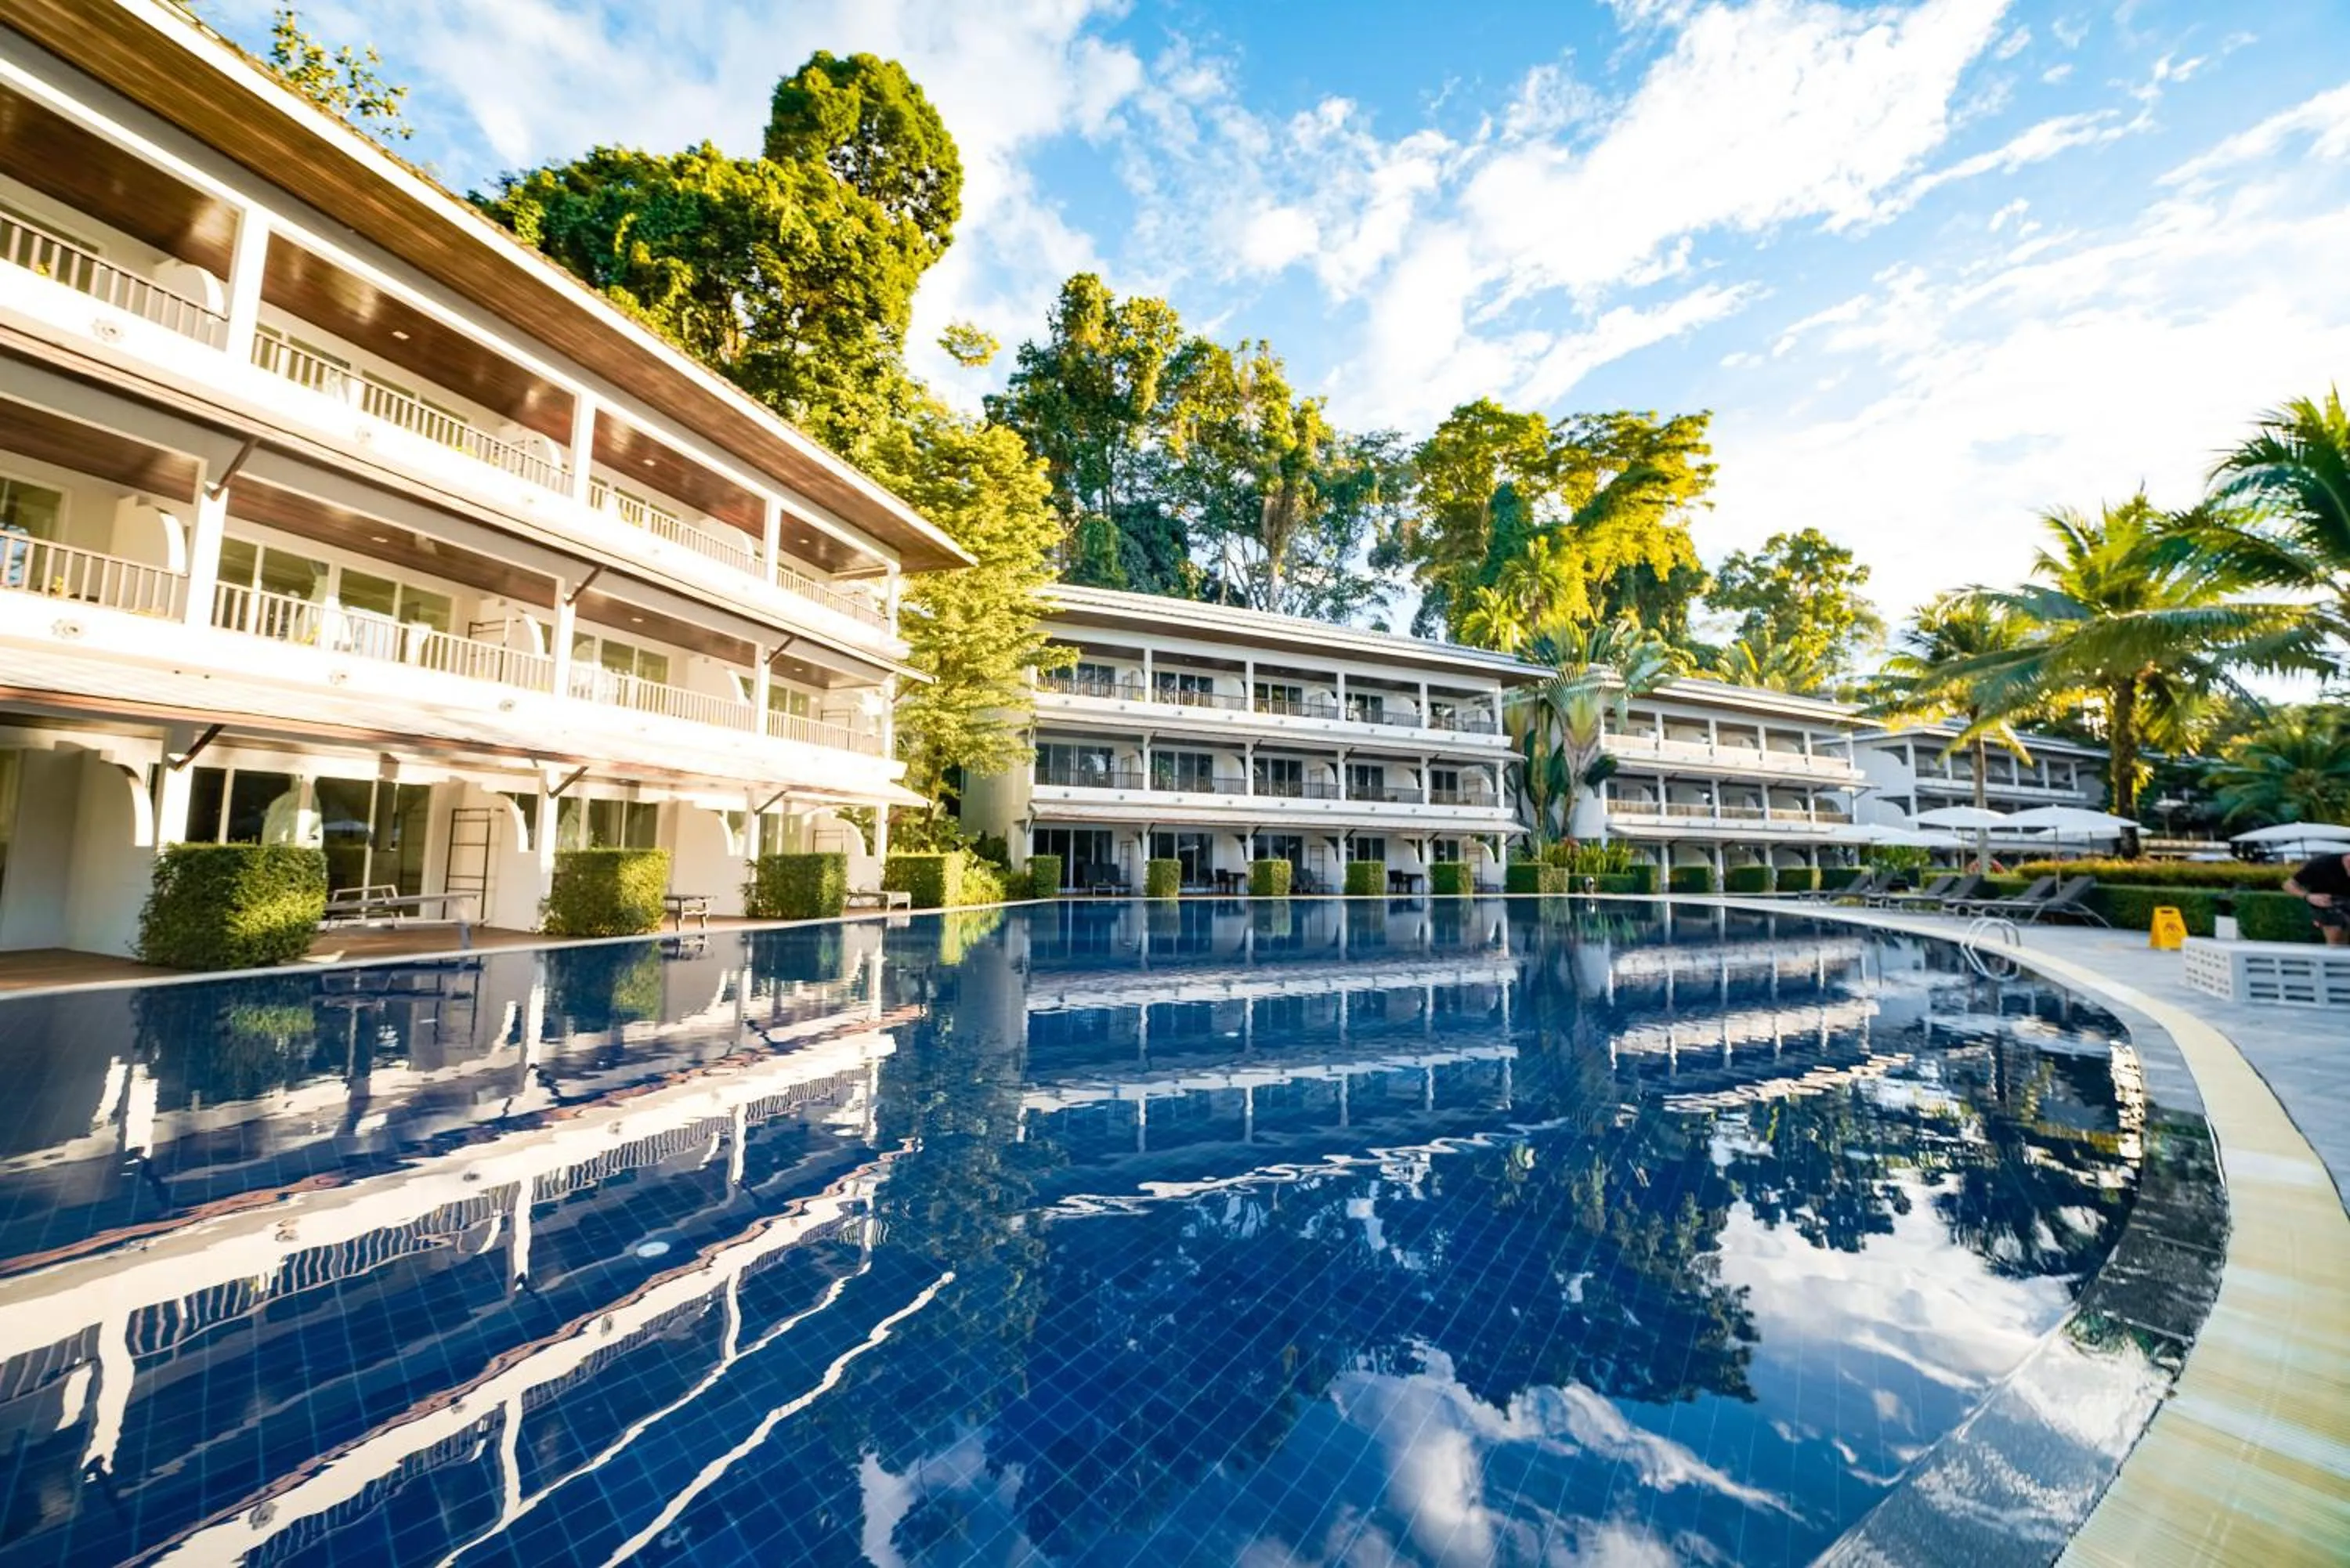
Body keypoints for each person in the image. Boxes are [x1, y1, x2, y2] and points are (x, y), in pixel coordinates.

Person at [2283, 849, 2350, 947]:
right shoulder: (2321, 864)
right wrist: (2308, 896)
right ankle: (2335, 956)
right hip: (2327, 902)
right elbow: (2288, 885)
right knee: (2337, 935)